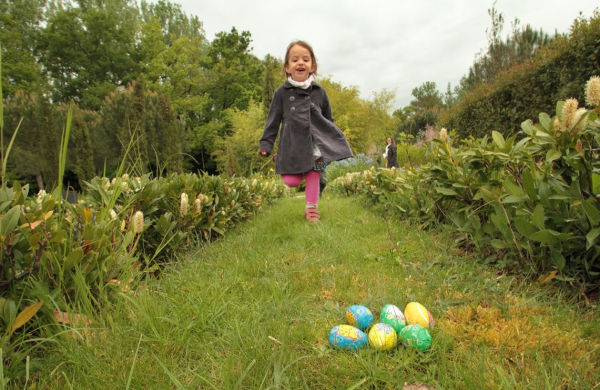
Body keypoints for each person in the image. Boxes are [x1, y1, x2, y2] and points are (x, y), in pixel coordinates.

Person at [259, 40, 353, 221]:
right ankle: (284, 161)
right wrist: (266, 144)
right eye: (294, 60)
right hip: (292, 143)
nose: (300, 63)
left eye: (305, 59)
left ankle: (311, 209)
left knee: (313, 174)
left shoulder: (319, 92)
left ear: (312, 66)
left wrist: (330, 141)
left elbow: (328, 119)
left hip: (314, 142)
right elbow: (273, 120)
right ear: (287, 67)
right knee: (291, 181)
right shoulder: (281, 93)